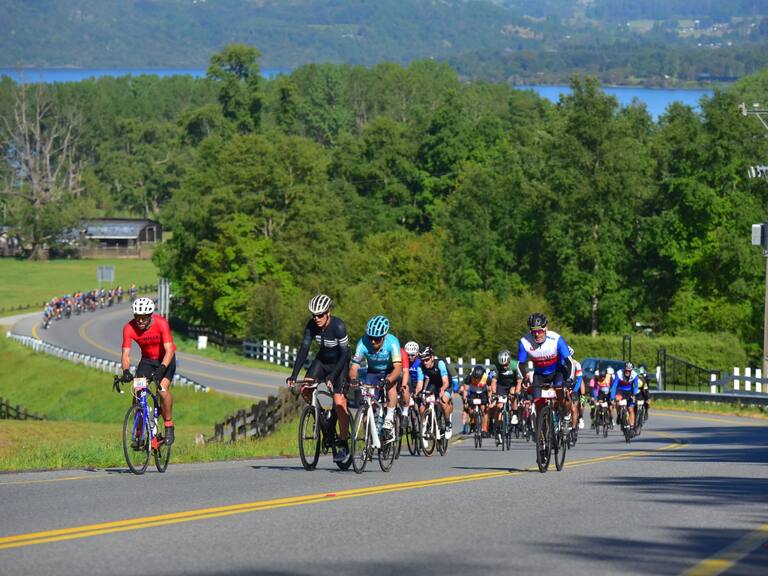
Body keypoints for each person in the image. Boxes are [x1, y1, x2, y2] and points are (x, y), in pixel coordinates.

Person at [287, 294, 351, 463]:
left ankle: (343, 443)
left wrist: (332, 376)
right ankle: (322, 417)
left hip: (340, 364)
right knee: (305, 389)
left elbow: (345, 354)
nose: (316, 318)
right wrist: (294, 375)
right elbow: (304, 349)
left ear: (328, 312)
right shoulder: (311, 326)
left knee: (339, 402)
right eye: (314, 315)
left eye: (320, 315)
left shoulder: (338, 326)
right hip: (322, 361)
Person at [121, 297, 177, 446]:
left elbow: (169, 350)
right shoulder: (129, 328)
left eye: (143, 318)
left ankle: (169, 424)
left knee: (163, 390)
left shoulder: (161, 323)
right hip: (147, 361)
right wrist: (126, 371)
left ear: (150, 315)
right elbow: (126, 353)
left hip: (165, 360)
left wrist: (162, 369)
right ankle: (140, 433)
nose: (140, 321)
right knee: (138, 391)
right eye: (137, 317)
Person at [517, 312, 575, 427]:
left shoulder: (556, 339)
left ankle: (566, 415)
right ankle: (542, 433)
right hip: (539, 374)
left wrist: (570, 379)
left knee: (560, 394)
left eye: (540, 331)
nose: (537, 335)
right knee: (538, 403)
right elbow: (520, 365)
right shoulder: (524, 342)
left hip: (557, 371)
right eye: (533, 331)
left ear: (546, 329)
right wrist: (524, 379)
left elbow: (570, 362)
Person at [349, 315, 402, 434]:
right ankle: (369, 434)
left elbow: (398, 368)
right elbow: (354, 367)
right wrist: (353, 378)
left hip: (390, 370)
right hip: (373, 372)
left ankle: (389, 418)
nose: (372, 341)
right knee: (368, 401)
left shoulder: (392, 342)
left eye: (377, 339)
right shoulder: (362, 343)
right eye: (371, 337)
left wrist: (389, 380)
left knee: (391, 388)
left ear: (384, 337)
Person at [416, 346, 454, 439]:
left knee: (443, 401)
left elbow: (445, 382)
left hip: (445, 384)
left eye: (427, 360)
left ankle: (448, 423)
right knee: (422, 406)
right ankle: (427, 426)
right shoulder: (420, 367)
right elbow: (419, 384)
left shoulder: (440, 363)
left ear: (432, 357)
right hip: (433, 384)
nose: (425, 362)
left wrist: (442, 390)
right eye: (423, 360)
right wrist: (418, 394)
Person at [490, 350, 522, 444]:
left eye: (506, 364)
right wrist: (494, 393)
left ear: (509, 361)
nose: (504, 367)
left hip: (512, 384)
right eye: (502, 365)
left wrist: (517, 392)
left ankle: (515, 413)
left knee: (513, 394)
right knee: (499, 406)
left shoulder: (515, 365)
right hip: (501, 386)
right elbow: (494, 382)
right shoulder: (497, 366)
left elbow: (519, 381)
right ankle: (498, 430)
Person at [462, 364, 493, 437]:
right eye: (476, 378)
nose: (478, 380)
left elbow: (490, 390)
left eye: (479, 378)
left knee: (484, 409)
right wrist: (465, 400)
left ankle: (484, 429)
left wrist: (489, 399)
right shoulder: (469, 377)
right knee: (470, 410)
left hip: (483, 392)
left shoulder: (487, 378)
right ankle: (472, 420)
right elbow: (465, 390)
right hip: (473, 392)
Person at [611, 361, 639, 434]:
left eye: (629, 371)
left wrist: (634, 395)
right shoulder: (619, 373)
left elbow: (636, 386)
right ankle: (619, 414)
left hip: (630, 391)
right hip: (620, 390)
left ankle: (632, 426)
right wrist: (612, 397)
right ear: (624, 369)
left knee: (630, 409)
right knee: (617, 400)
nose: (627, 372)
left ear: (631, 371)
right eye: (626, 370)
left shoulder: (635, 375)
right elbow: (614, 386)